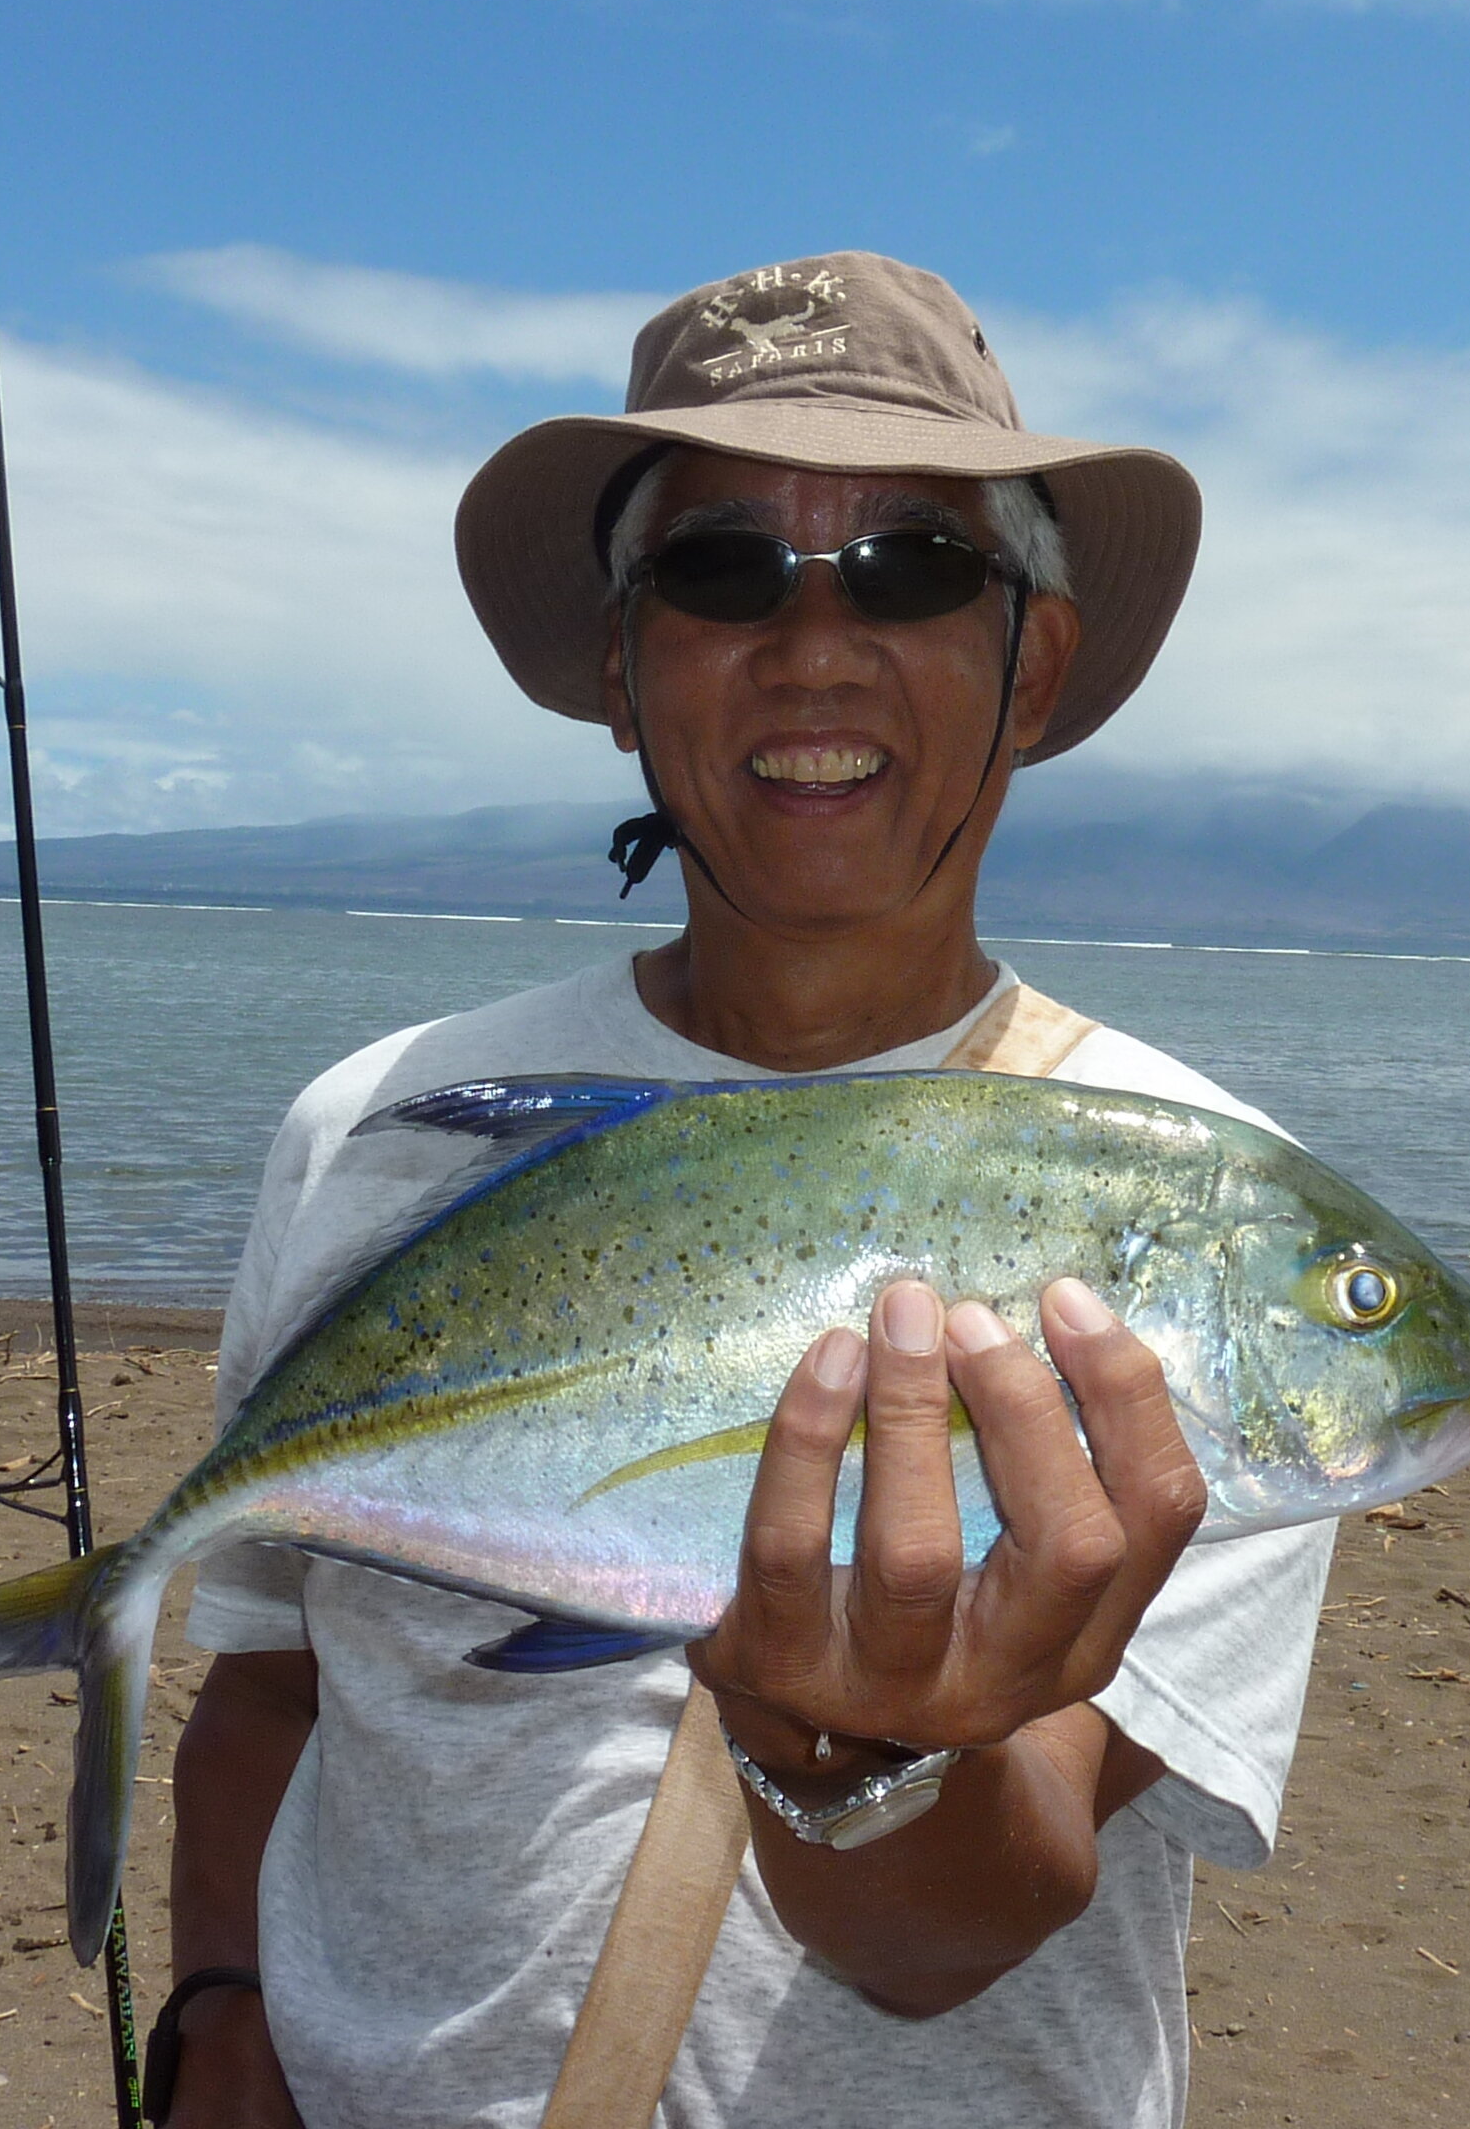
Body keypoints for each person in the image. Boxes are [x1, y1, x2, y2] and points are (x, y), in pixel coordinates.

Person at [157, 253, 1337, 2128]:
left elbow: (953, 1934)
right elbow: (279, 1677)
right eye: (720, 572)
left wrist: (848, 1747)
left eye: (914, 568)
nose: (811, 646)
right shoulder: (374, 1131)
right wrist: (216, 2010)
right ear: (623, 670)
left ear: (1028, 666)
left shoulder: (1183, 1233)